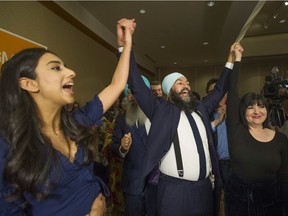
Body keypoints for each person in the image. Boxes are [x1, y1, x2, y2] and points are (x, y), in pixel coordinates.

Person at [0, 18, 135, 215]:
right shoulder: (9, 147)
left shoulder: (77, 121)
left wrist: (126, 46)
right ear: (29, 84)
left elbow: (116, 85)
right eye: (56, 68)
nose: (72, 72)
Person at [118, 22, 236, 214]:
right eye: (179, 82)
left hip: (205, 189)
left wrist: (230, 61)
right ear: (168, 90)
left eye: (187, 82)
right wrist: (125, 47)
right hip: (174, 191)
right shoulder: (160, 109)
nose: (186, 85)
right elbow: (136, 83)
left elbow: (220, 89)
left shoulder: (200, 108)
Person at [226, 43, 288, 215]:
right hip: (239, 202)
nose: (256, 111)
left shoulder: (281, 139)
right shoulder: (236, 130)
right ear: (242, 111)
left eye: (261, 107)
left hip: (271, 203)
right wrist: (236, 60)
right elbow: (232, 92)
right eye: (250, 107)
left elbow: (284, 179)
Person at [110, 76, 157, 216]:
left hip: (157, 182)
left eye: (137, 91)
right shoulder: (121, 119)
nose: (133, 95)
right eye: (130, 92)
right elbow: (114, 145)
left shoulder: (158, 116)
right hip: (133, 183)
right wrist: (123, 147)